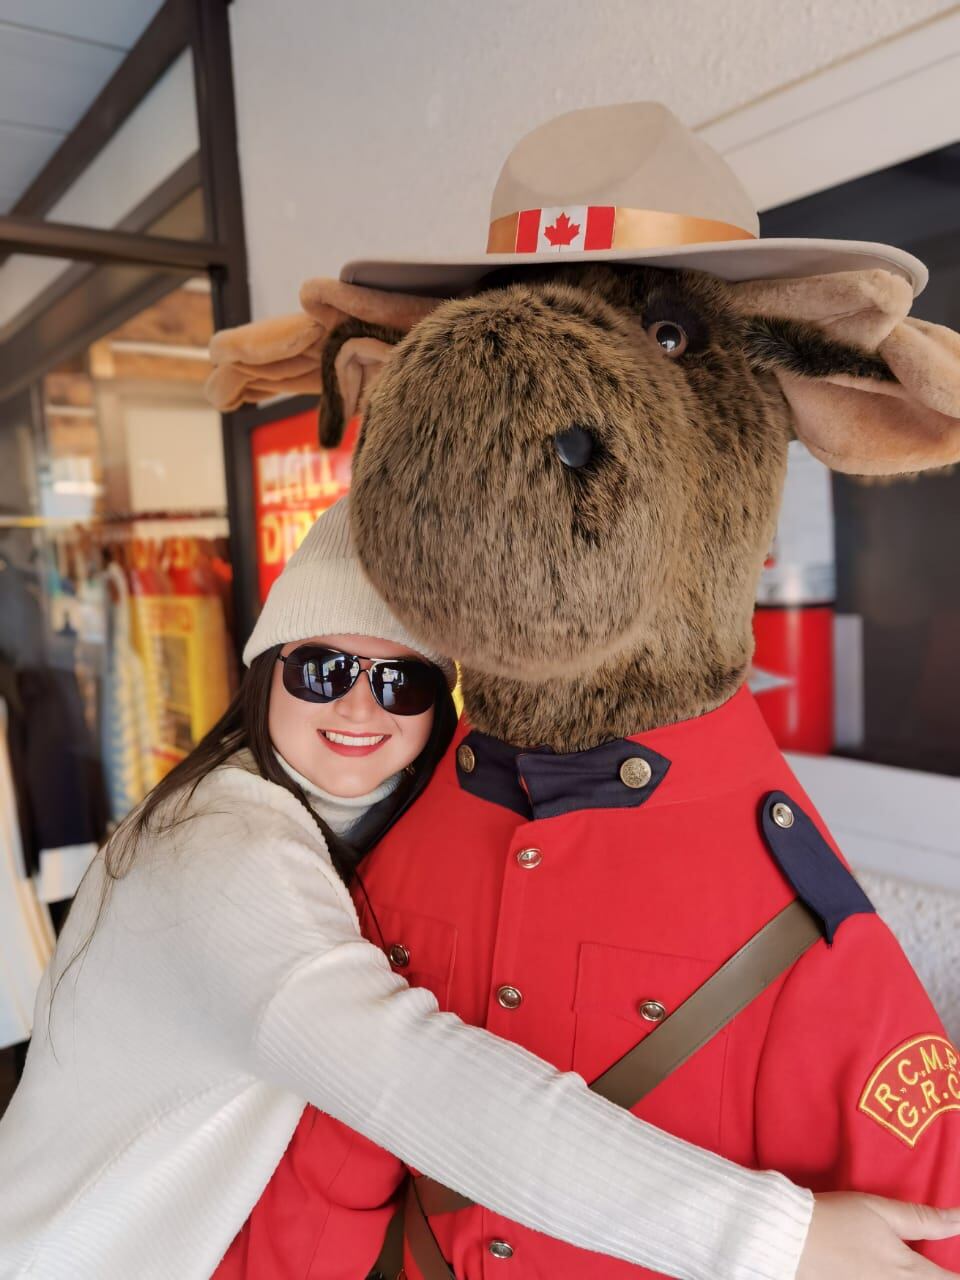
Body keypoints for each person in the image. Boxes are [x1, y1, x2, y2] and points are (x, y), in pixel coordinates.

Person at [0, 498, 955, 1280]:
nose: (360, 707)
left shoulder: (373, 826)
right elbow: (421, 1083)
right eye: (323, 668)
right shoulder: (221, 855)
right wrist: (776, 1240)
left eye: (404, 682)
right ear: (262, 674)